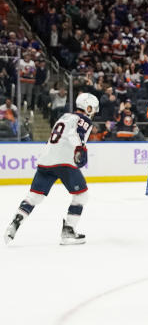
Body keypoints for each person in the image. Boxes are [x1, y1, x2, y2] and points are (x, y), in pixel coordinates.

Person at [5, 93, 99, 245]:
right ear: (87, 107)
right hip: (64, 161)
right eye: (93, 108)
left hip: (46, 160)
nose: (93, 112)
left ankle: (14, 223)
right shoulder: (84, 119)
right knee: (82, 196)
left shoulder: (64, 117)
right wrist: (80, 148)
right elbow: (73, 134)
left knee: (34, 197)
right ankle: (68, 231)